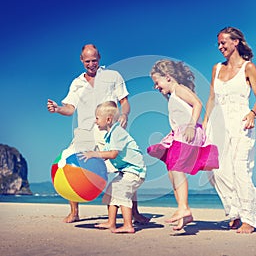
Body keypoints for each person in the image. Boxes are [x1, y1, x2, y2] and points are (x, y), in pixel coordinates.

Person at [47, 44, 149, 224]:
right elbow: (70, 109)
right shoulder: (77, 83)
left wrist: (124, 114)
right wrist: (57, 109)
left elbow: (124, 101)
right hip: (84, 132)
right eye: (87, 61)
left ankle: (135, 212)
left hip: (107, 131)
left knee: (124, 168)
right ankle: (74, 212)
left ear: (99, 58)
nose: (91, 64)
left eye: (94, 60)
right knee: (71, 165)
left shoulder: (113, 76)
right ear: (81, 60)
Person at [203, 27, 256, 234]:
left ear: (236, 42)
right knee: (216, 170)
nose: (220, 47)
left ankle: (249, 218)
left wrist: (252, 114)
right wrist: (204, 124)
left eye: (224, 42)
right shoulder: (216, 69)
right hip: (218, 123)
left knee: (240, 169)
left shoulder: (249, 68)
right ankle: (235, 210)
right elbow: (212, 98)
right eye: (219, 44)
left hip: (241, 121)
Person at [147, 59, 207, 231]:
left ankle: (183, 207)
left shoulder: (180, 89)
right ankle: (185, 213)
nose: (156, 87)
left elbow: (198, 103)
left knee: (177, 168)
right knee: (172, 172)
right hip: (179, 134)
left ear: (167, 77)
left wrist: (190, 125)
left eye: (156, 82)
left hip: (189, 131)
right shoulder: (173, 96)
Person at [79, 101, 146, 233]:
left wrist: (94, 153)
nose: (95, 121)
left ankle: (128, 225)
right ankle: (111, 222)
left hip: (134, 170)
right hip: (125, 170)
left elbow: (113, 154)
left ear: (108, 119)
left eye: (97, 118)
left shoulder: (117, 132)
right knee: (111, 191)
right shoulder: (109, 135)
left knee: (121, 193)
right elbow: (106, 156)